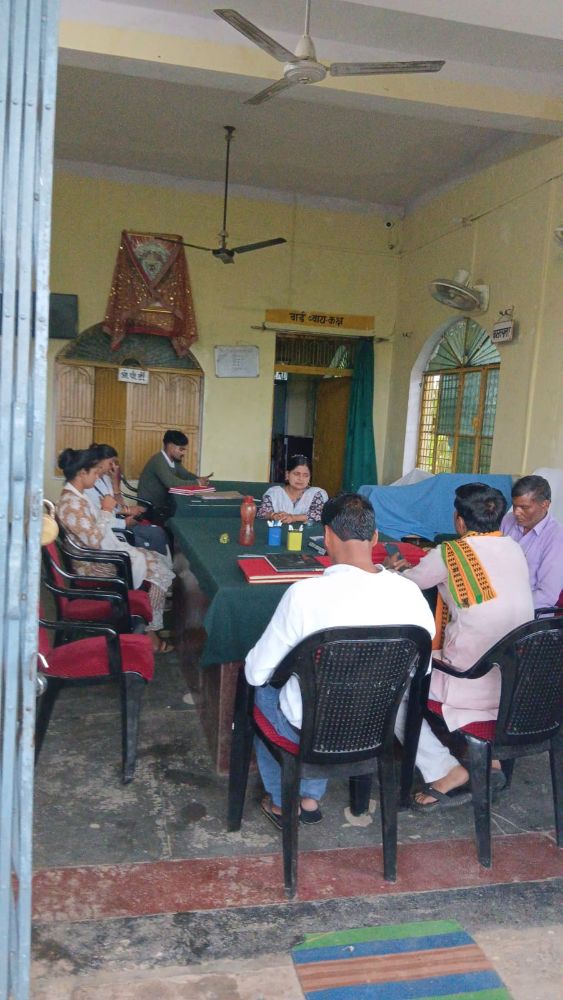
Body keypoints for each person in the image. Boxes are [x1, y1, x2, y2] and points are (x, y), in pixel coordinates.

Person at [245, 493, 435, 829]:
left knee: (262, 691)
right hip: (376, 726)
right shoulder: (410, 594)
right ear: (374, 538)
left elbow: (256, 672)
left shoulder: (304, 595)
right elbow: (423, 671)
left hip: (311, 728)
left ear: (327, 536)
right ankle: (310, 797)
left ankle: (283, 802)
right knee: (325, 697)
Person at [392, 483, 534, 808]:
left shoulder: (450, 553)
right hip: (517, 688)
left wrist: (392, 570)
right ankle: (491, 761)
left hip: (469, 681)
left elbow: (410, 583)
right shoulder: (515, 548)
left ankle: (444, 769)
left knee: (394, 689)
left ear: (459, 521)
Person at [56, 447, 175, 653]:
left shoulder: (77, 497)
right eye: (95, 473)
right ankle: (150, 632)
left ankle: (146, 622)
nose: (97, 477)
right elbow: (94, 540)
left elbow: (98, 530)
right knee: (157, 571)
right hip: (93, 565)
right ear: (82, 473)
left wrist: (108, 510)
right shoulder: (71, 504)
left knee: (156, 560)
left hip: (99, 555)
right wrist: (106, 510)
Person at [84, 443, 170, 556]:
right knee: (155, 536)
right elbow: (101, 518)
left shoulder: (105, 479)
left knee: (158, 532)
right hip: (112, 531)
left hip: (116, 522)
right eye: (111, 462)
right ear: (98, 461)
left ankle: (162, 562)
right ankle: (157, 562)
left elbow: (117, 507)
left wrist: (115, 483)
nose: (114, 466)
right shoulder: (88, 487)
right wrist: (125, 522)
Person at [501, 475, 563, 610]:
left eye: (524, 507)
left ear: (545, 505)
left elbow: (547, 596)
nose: (516, 512)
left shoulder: (557, 537)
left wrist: (507, 608)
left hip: (530, 613)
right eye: (515, 506)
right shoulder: (508, 520)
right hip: (499, 599)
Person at [137, 430, 212, 525]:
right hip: (151, 508)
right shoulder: (158, 461)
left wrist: (199, 479)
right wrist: (197, 483)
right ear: (170, 446)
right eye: (181, 449)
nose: (184, 453)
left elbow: (185, 475)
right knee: (186, 514)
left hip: (162, 504)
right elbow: (172, 483)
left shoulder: (174, 461)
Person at [257, 455, 328, 524]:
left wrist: (293, 518)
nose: (300, 478)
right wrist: (274, 516)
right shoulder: (274, 493)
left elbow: (318, 514)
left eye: (305, 475)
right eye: (296, 474)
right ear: (287, 475)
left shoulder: (315, 493)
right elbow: (262, 512)